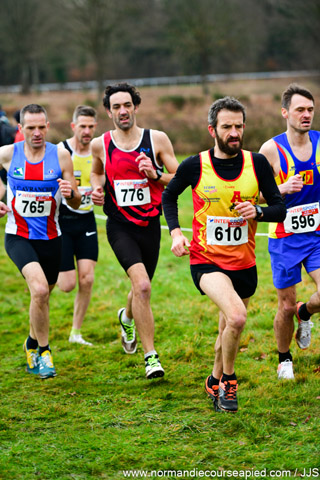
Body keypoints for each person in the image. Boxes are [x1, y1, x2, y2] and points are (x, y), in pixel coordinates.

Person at [162, 97, 286, 412]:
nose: (234, 132)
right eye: (227, 126)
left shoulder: (256, 163)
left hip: (244, 264)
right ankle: (228, 384)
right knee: (238, 317)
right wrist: (176, 232)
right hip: (207, 261)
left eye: (239, 126)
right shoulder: (195, 165)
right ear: (212, 130)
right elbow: (169, 195)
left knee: (227, 329)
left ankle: (214, 378)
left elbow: (279, 209)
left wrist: (257, 210)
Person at [90, 82, 179, 379]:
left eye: (127, 105)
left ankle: (126, 317)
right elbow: (95, 170)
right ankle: (151, 356)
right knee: (142, 286)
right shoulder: (100, 144)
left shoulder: (157, 140)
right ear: (108, 111)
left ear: (136, 106)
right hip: (119, 226)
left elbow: (179, 180)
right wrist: (96, 188)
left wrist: (154, 174)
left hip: (150, 224)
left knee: (140, 289)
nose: (123, 111)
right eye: (116, 106)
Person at [0, 104, 81, 379]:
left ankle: (31, 342)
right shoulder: (9, 154)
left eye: (41, 127)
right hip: (18, 236)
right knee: (40, 291)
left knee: (42, 296)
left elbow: (76, 199)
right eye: (30, 128)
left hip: (51, 238)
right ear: (20, 129)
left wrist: (71, 193)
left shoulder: (60, 156)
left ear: (47, 126)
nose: (36, 133)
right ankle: (44, 353)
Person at [259, 83, 320, 380]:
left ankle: (305, 313)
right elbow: (253, 196)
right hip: (284, 238)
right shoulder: (271, 149)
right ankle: (284, 359)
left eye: (310, 109)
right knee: (284, 306)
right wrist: (280, 189)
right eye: (300, 109)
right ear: (285, 112)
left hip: (316, 235)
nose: (306, 114)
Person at [57, 105, 98, 346]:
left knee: (87, 279)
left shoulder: (97, 152)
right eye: (82, 126)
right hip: (62, 220)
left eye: (91, 126)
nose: (87, 130)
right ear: (74, 126)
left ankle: (75, 332)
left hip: (87, 220)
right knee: (66, 284)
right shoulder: (62, 151)